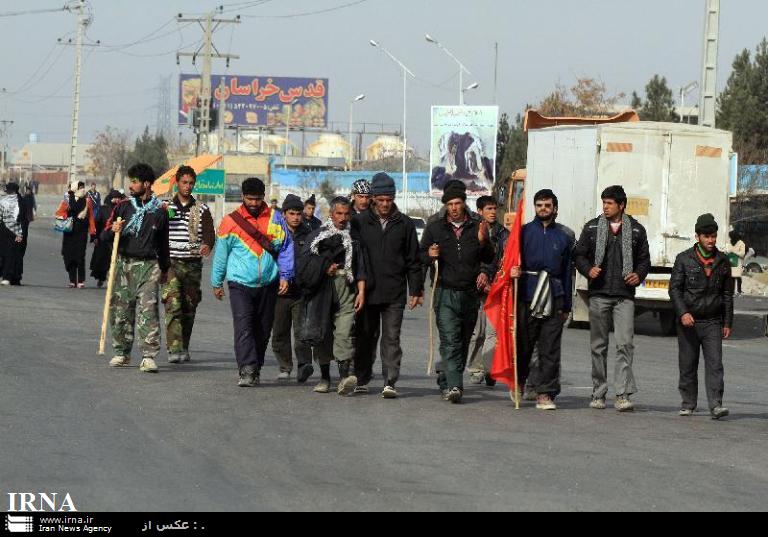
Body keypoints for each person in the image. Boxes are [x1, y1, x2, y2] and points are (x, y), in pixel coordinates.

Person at [573, 185, 650, 412]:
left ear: (621, 205)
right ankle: (598, 393)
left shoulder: (636, 230)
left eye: (609, 203)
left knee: (625, 344)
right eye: (603, 202)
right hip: (598, 295)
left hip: (624, 296)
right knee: (599, 346)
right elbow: (578, 255)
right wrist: (588, 270)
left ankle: (622, 394)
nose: (605, 207)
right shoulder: (592, 227)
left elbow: (644, 259)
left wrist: (639, 274)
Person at [211, 177, 294, 388]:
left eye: (258, 199)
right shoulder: (230, 222)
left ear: (263, 197)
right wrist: (216, 282)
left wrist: (285, 275)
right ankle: (247, 369)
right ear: (242, 197)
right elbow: (221, 254)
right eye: (250, 199)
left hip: (269, 283)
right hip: (240, 283)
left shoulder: (276, 219)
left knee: (263, 329)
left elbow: (285, 248)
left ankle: (256, 366)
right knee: (244, 326)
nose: (254, 203)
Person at [420, 181, 495, 404]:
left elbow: (490, 258)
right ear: (445, 205)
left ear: (464, 204)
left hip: (469, 294)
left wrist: (484, 241)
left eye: (458, 203)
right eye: (450, 204)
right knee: (450, 340)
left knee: (462, 341)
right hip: (444, 292)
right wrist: (429, 254)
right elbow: (419, 256)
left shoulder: (477, 226)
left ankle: (446, 377)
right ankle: (455, 385)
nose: (454, 208)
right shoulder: (435, 227)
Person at [352, 173, 423, 398]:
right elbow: (352, 256)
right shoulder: (360, 222)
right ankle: (362, 378)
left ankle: (390, 381)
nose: (384, 204)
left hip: (395, 292)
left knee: (391, 338)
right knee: (365, 336)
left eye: (388, 200)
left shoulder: (404, 224)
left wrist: (417, 290)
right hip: (367, 292)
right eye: (380, 199)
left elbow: (413, 259)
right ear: (373, 198)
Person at [509, 190, 574, 411]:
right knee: (524, 344)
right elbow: (508, 259)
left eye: (547, 205)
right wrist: (513, 271)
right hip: (527, 293)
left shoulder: (564, 237)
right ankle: (518, 383)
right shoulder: (524, 232)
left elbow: (567, 273)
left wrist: (566, 305)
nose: (543, 209)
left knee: (550, 348)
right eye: (539, 205)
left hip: (553, 296)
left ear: (555, 208)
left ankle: (545, 393)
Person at [102, 163, 171, 374]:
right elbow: (103, 237)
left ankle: (148, 356)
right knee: (121, 310)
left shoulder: (159, 212)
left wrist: (165, 269)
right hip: (123, 265)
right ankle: (122, 352)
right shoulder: (123, 207)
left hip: (149, 266)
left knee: (148, 312)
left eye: (134, 181)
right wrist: (113, 230)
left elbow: (163, 243)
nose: (131, 185)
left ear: (147, 184)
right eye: (130, 181)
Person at [296, 197, 368, 395]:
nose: (343, 218)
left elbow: (360, 266)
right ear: (331, 214)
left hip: (346, 289)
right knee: (324, 334)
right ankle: (325, 377)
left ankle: (345, 378)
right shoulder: (317, 236)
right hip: (322, 290)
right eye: (339, 214)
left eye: (346, 214)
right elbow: (304, 264)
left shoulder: (353, 238)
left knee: (344, 333)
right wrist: (324, 266)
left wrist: (361, 291)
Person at [669, 214, 734, 420]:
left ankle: (716, 405)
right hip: (689, 322)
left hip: (713, 322)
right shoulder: (684, 259)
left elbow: (727, 294)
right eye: (706, 236)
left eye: (713, 236)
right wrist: (683, 313)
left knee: (715, 364)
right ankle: (688, 403)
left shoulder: (723, 261)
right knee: (688, 363)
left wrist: (727, 322)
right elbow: (675, 290)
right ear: (697, 237)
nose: (711, 240)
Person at [163, 166, 216, 364]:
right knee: (173, 303)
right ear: (177, 183)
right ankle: (173, 348)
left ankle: (184, 345)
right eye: (184, 182)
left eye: (191, 183)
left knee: (189, 307)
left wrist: (207, 245)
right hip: (172, 264)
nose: (187, 186)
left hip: (193, 264)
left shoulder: (201, 209)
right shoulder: (167, 206)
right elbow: (159, 229)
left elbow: (210, 233)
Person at [270, 194, 315, 383]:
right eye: (292, 213)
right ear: (284, 214)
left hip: (301, 292)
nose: (296, 217)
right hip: (279, 292)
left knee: (302, 332)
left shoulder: (309, 234)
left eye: (298, 213)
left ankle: (304, 365)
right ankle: (285, 366)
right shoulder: (275, 234)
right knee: (279, 331)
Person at [466, 196, 506, 387]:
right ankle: (476, 368)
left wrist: (493, 283)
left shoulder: (503, 235)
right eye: (488, 208)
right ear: (479, 211)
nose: (492, 212)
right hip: (473, 290)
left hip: (495, 289)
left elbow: (504, 263)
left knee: (493, 333)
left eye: (494, 208)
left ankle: (491, 368)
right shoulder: (470, 231)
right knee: (477, 332)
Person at [56, 181, 96, 288]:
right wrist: (66, 216)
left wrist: (93, 233)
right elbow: (59, 213)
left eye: (83, 187)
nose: (83, 189)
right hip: (69, 232)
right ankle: (72, 280)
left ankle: (81, 280)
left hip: (81, 232)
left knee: (80, 256)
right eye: (80, 187)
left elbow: (91, 217)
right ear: (74, 188)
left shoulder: (87, 201)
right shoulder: (67, 199)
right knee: (68, 255)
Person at [90, 190, 125, 287]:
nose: (117, 200)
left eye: (119, 198)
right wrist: (95, 237)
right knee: (102, 261)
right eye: (116, 198)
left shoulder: (121, 209)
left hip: (117, 239)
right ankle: (101, 278)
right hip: (103, 239)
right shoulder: (103, 209)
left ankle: (113, 280)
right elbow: (97, 223)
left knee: (114, 260)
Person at [0, 183, 25, 286]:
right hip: (15, 231)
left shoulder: (3, 201)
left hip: (5, 230)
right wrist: (20, 234)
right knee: (10, 255)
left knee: (4, 254)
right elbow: (23, 220)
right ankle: (7, 277)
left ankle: (6, 276)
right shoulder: (20, 201)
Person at [727, 231, 746, 296]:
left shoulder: (741, 243)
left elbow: (742, 253)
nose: (730, 237)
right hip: (732, 262)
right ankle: (733, 292)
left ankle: (738, 291)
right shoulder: (730, 242)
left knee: (737, 277)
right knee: (733, 278)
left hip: (737, 263)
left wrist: (734, 252)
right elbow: (727, 250)